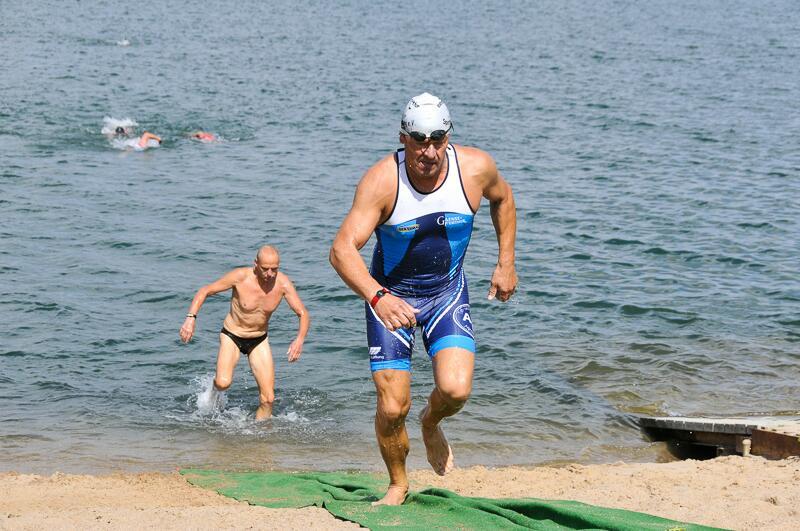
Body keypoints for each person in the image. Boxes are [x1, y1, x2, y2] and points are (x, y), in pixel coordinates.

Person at [329, 93, 517, 505]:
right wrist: (378, 297)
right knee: (392, 408)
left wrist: (506, 262)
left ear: (448, 137)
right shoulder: (382, 181)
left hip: (446, 294)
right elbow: (342, 249)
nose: (428, 151)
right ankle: (398, 483)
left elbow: (503, 199)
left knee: (455, 391)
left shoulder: (475, 169)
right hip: (390, 299)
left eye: (437, 140)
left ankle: (430, 423)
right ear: (403, 138)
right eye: (418, 141)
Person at [179, 245, 310, 420]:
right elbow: (206, 290)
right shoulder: (240, 277)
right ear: (256, 264)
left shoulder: (283, 283)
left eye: (274, 269)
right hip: (232, 335)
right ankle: (212, 391)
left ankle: (260, 433)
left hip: (258, 339)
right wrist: (191, 318)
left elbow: (303, 313)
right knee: (223, 383)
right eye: (265, 269)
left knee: (268, 399)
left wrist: (299, 339)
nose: (270, 274)